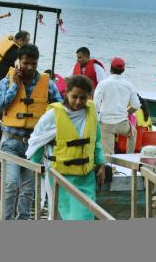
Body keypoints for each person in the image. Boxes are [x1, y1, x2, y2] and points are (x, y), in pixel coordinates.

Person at [0, 43, 62, 220]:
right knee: (10, 184)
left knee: (28, 189)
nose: (29, 67)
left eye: (33, 63)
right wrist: (14, 86)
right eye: (25, 63)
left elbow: (60, 110)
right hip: (11, 142)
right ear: (18, 62)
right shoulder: (6, 81)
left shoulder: (49, 85)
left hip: (35, 145)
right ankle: (6, 220)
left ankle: (23, 220)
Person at [25, 75, 106, 220]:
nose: (78, 102)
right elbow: (37, 142)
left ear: (89, 96)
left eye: (83, 98)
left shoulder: (91, 113)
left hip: (86, 177)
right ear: (66, 93)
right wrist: (37, 167)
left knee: (85, 215)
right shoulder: (52, 116)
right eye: (74, 96)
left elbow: (96, 141)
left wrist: (101, 164)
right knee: (60, 214)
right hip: (60, 175)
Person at [0, 31, 30, 138]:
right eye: (27, 42)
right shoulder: (15, 52)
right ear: (21, 40)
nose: (28, 44)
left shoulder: (9, 44)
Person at [93, 57, 141, 155]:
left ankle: (110, 167)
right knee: (133, 132)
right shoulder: (129, 85)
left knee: (108, 154)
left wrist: (97, 119)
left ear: (110, 69)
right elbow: (136, 105)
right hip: (122, 123)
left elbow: (96, 105)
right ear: (123, 70)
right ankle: (129, 155)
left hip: (106, 123)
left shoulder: (103, 84)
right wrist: (127, 114)